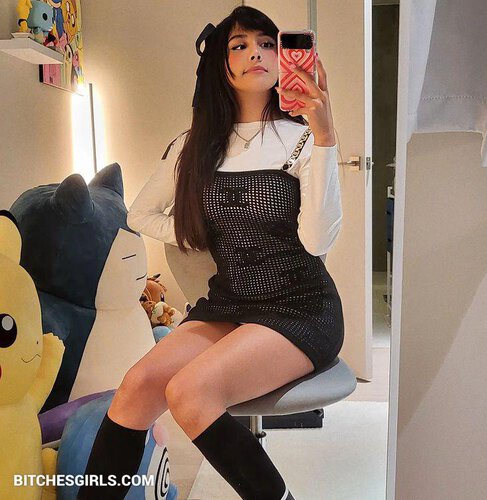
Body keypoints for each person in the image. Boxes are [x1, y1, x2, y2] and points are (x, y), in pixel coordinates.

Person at [77, 5, 344, 500]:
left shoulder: (305, 138)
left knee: (189, 391)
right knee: (136, 385)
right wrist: (195, 236)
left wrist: (326, 134)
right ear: (220, 65)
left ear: (284, 59)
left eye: (266, 44)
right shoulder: (194, 145)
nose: (255, 54)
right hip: (229, 303)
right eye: (239, 46)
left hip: (300, 307)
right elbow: (140, 213)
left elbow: (317, 242)